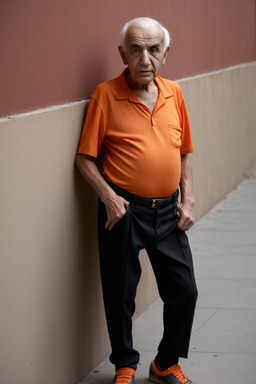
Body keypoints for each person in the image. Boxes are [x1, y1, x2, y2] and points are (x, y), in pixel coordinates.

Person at [76, 17, 198, 384]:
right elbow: (84, 157)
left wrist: (188, 196)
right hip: (124, 210)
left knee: (184, 290)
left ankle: (164, 363)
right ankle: (125, 365)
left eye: (153, 49)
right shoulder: (105, 94)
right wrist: (109, 197)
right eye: (136, 49)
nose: (145, 58)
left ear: (165, 54)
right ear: (123, 54)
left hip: (168, 212)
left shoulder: (174, 93)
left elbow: (185, 151)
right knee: (120, 291)